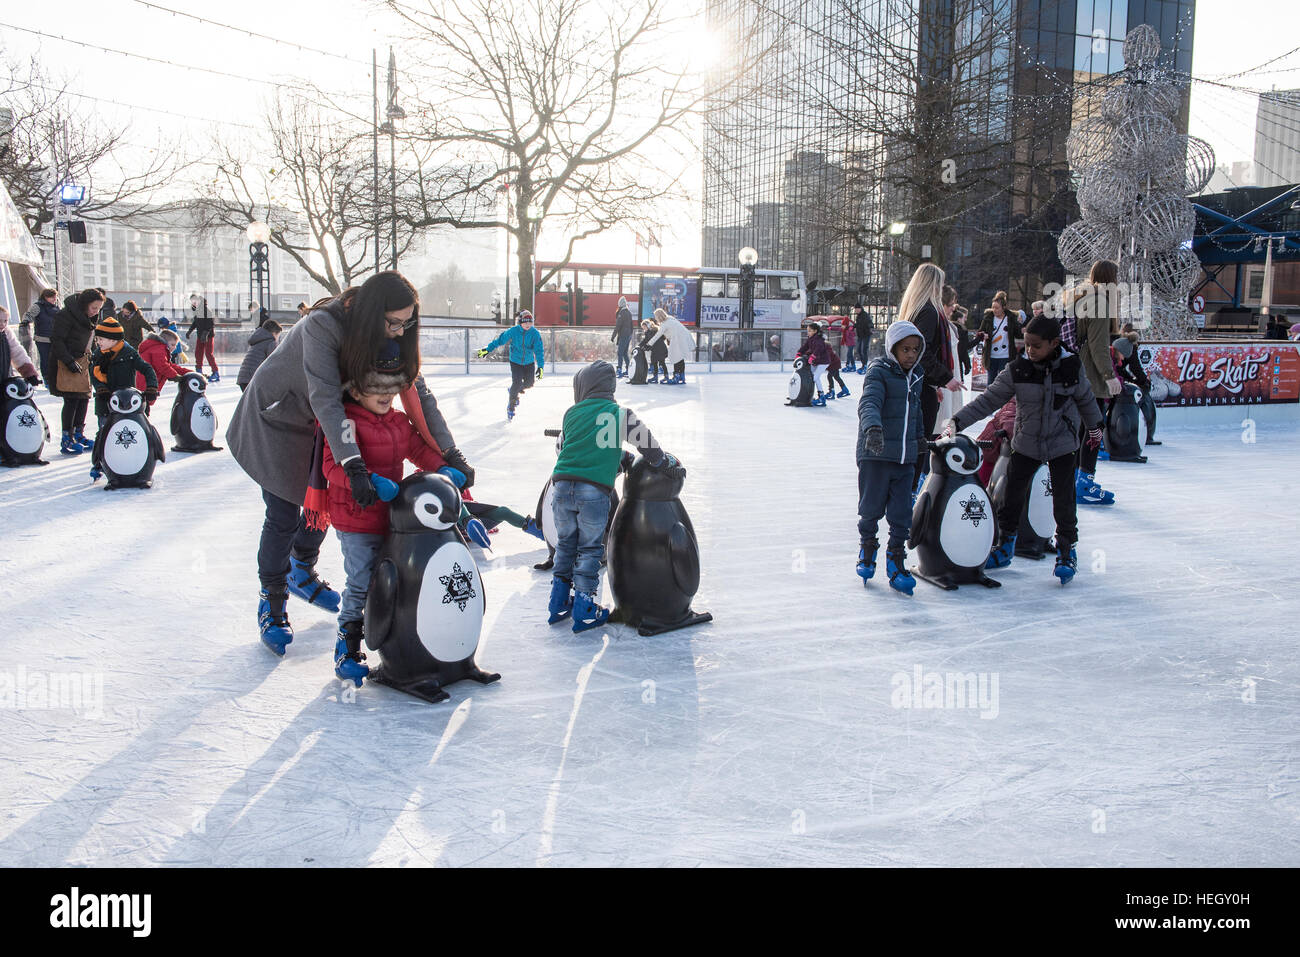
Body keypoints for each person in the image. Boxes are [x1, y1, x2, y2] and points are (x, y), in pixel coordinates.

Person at [226, 271, 473, 657]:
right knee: (284, 513)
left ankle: (300, 569)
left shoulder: (393, 334)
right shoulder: (323, 325)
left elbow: (419, 395)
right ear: (373, 313)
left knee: (330, 503)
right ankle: (272, 599)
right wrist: (354, 464)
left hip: (330, 423)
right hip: (279, 419)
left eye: (406, 323)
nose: (398, 331)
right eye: (393, 322)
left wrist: (451, 454)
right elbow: (325, 396)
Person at [318, 342, 452, 684]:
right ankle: (347, 644)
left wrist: (445, 468)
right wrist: (369, 480)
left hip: (393, 518)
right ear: (357, 388)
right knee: (362, 581)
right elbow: (332, 467)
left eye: (389, 389)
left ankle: (399, 641)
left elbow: (419, 449)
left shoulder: (398, 422)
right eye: (376, 388)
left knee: (396, 582)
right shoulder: (346, 421)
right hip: (356, 518)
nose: (384, 396)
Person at [943, 314, 1104, 584]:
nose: (1030, 350)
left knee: (1064, 499)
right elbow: (989, 399)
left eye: (1036, 346)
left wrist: (1095, 428)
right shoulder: (1018, 369)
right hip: (1026, 442)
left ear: (1054, 343)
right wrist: (957, 421)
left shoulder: (1072, 367)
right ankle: (1005, 545)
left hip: (1062, 443)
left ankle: (1067, 550)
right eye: (1027, 344)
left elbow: (1086, 400)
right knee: (1011, 496)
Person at [547, 360, 673, 632]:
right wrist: (662, 462)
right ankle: (584, 609)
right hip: (592, 491)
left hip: (559, 487)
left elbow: (582, 447)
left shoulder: (571, 413)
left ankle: (558, 602)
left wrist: (620, 457)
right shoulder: (619, 413)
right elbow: (646, 442)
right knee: (590, 549)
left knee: (566, 545)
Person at [856, 319, 926, 595]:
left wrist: (920, 437)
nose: (910, 355)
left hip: (904, 457)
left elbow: (917, 411)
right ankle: (868, 546)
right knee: (871, 507)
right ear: (892, 349)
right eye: (905, 349)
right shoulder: (879, 372)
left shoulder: (917, 375)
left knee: (901, 513)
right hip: (876, 454)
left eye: (915, 350)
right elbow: (869, 402)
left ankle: (896, 560)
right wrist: (872, 428)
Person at [900, 263, 963, 488]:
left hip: (922, 384)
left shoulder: (917, 309)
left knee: (919, 438)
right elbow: (922, 353)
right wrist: (945, 378)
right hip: (922, 386)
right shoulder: (928, 312)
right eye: (941, 283)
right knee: (922, 439)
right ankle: (913, 487)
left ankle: (911, 486)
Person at [1069, 259, 1121, 506]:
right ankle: (1084, 482)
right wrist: (1110, 377)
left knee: (1082, 430)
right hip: (1090, 376)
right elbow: (1098, 345)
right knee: (1094, 430)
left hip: (1078, 373)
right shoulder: (1100, 301)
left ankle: (1076, 478)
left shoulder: (1082, 296)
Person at [88, 316, 158, 481]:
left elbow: (147, 369)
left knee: (132, 432)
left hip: (127, 403)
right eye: (97, 338)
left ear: (113, 340)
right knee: (104, 432)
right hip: (106, 402)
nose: (98, 342)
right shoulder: (98, 354)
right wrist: (101, 388)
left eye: (101, 339)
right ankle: (99, 463)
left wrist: (151, 387)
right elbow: (94, 374)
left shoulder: (129, 353)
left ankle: (133, 459)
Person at [49, 288, 104, 456]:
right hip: (66, 361)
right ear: (85, 304)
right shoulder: (66, 315)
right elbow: (57, 340)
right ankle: (67, 437)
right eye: (94, 308)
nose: (96, 312)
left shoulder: (90, 318)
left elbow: (90, 339)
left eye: (99, 308)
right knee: (72, 398)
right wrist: (68, 360)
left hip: (83, 360)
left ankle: (78, 434)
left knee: (84, 398)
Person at [478, 309, 545, 420]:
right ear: (520, 322)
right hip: (516, 362)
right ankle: (511, 406)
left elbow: (539, 350)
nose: (528, 324)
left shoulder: (534, 333)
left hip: (529, 362)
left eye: (530, 322)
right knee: (517, 382)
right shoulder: (513, 331)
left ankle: (514, 390)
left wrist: (541, 366)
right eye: (525, 322)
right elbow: (499, 341)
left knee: (529, 383)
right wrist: (487, 349)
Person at [978, 291, 1023, 384]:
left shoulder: (1011, 318)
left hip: (1006, 356)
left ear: (1003, 308)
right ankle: (990, 399)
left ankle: (1002, 399)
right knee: (991, 382)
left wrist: (1023, 330)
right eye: (993, 307)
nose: (994, 310)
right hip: (991, 356)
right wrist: (983, 335)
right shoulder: (988, 318)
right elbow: (980, 332)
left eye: (997, 308)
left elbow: (1018, 334)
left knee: (1003, 382)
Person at [646, 307, 695, 384]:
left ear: (659, 316)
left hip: (678, 339)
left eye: (656, 316)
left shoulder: (664, 324)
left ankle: (676, 376)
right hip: (685, 336)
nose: (655, 318)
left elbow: (657, 335)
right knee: (680, 357)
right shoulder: (670, 319)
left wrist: (649, 344)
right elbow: (673, 330)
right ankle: (682, 376)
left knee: (675, 357)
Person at [136, 328, 189, 396]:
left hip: (145, 382)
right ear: (165, 342)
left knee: (144, 403)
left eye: (175, 345)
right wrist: (175, 376)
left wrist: (189, 372)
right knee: (143, 402)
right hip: (145, 383)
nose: (175, 347)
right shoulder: (159, 349)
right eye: (172, 344)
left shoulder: (158, 348)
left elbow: (169, 366)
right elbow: (162, 366)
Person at [795, 320, 835, 406]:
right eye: (807, 330)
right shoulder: (810, 339)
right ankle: (810, 396)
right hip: (816, 361)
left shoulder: (819, 340)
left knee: (814, 377)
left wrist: (813, 356)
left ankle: (821, 397)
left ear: (815, 331)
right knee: (812, 377)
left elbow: (818, 349)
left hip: (823, 362)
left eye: (809, 331)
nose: (808, 332)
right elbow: (805, 346)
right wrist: (799, 353)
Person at [29, 288, 61, 392]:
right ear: (46, 297)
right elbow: (28, 317)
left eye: (55, 297)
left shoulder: (56, 307)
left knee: (55, 360)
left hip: (54, 339)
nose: (55, 299)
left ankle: (55, 380)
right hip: (42, 339)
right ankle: (47, 380)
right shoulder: (37, 306)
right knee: (46, 360)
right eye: (52, 297)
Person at [237, 320, 282, 392]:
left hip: (244, 378)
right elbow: (275, 362)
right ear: (274, 333)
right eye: (278, 336)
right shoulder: (271, 342)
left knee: (252, 403)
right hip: (253, 379)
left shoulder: (258, 340)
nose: (277, 339)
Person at [0, 306, 41, 384]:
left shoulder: (6, 333)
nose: (2, 324)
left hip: (4, 377)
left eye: (5, 321)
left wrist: (29, 373)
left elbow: (17, 352)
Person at [186, 294, 219, 380]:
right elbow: (195, 322)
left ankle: (215, 372)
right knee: (198, 353)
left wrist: (206, 334)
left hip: (208, 336)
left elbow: (210, 323)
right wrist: (190, 331)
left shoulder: (206, 309)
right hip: (200, 336)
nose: (193, 303)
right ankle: (199, 371)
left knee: (208, 354)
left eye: (194, 301)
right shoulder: (198, 310)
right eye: (192, 302)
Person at [611, 296, 635, 378]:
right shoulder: (628, 312)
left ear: (620, 304)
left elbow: (618, 326)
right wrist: (630, 335)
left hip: (624, 335)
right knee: (624, 353)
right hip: (627, 335)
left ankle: (619, 369)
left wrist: (613, 336)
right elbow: (632, 326)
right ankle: (629, 369)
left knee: (620, 353)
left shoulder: (622, 313)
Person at [854, 306, 873, 371]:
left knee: (864, 350)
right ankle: (863, 364)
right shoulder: (858, 316)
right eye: (855, 309)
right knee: (859, 350)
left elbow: (869, 322)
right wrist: (853, 326)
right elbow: (858, 324)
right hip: (860, 335)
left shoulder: (865, 315)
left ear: (860, 309)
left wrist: (870, 327)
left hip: (866, 334)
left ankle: (865, 365)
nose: (856, 310)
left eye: (857, 309)